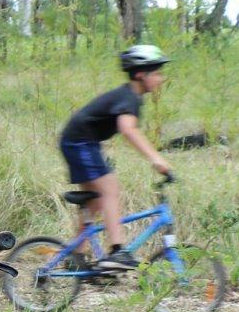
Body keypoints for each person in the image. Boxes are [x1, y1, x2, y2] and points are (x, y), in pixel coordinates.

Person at [59, 45, 174, 270]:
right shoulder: (129, 97)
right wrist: (156, 159)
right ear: (142, 74)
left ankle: (75, 258)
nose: (161, 78)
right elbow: (128, 129)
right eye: (157, 73)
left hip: (80, 142)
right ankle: (117, 251)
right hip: (80, 142)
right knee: (110, 189)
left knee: (94, 201)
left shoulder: (131, 97)